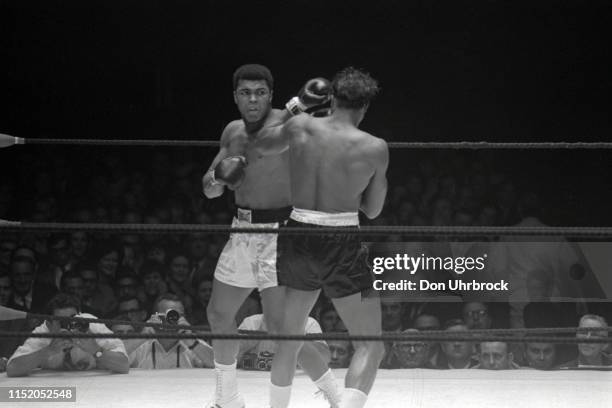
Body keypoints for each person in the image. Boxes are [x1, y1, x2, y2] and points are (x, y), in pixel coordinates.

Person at [201, 64, 335, 408]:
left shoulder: (290, 124)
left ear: (271, 95)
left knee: (280, 327)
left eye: (260, 92)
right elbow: (210, 190)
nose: (253, 99)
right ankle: (227, 399)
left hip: (282, 232)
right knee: (219, 313)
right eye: (245, 93)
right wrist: (220, 175)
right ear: (235, 97)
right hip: (242, 230)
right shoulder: (232, 131)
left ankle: (335, 394)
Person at [257, 67, 388, 408]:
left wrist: (295, 105)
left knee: (289, 338)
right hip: (342, 236)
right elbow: (373, 210)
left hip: (298, 230)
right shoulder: (374, 147)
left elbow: (264, 145)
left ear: (331, 98)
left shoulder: (301, 125)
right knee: (371, 343)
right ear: (365, 107)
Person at [6, 293, 129, 376]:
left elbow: (123, 365)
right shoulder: (43, 333)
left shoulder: (92, 325)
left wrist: (96, 350)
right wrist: (47, 351)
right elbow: (12, 369)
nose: (69, 326)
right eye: (62, 322)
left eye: (72, 319)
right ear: (49, 323)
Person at [237, 313, 340, 403]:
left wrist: (295, 335)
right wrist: (258, 335)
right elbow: (231, 358)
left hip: (298, 388)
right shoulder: (252, 322)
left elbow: (325, 358)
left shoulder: (308, 322)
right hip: (254, 387)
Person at [126, 294, 214, 369]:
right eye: (169, 315)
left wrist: (190, 340)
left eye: (179, 315)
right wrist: (143, 336)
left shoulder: (192, 344)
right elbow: (116, 356)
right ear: (155, 317)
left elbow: (217, 364)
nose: (173, 320)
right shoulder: (142, 345)